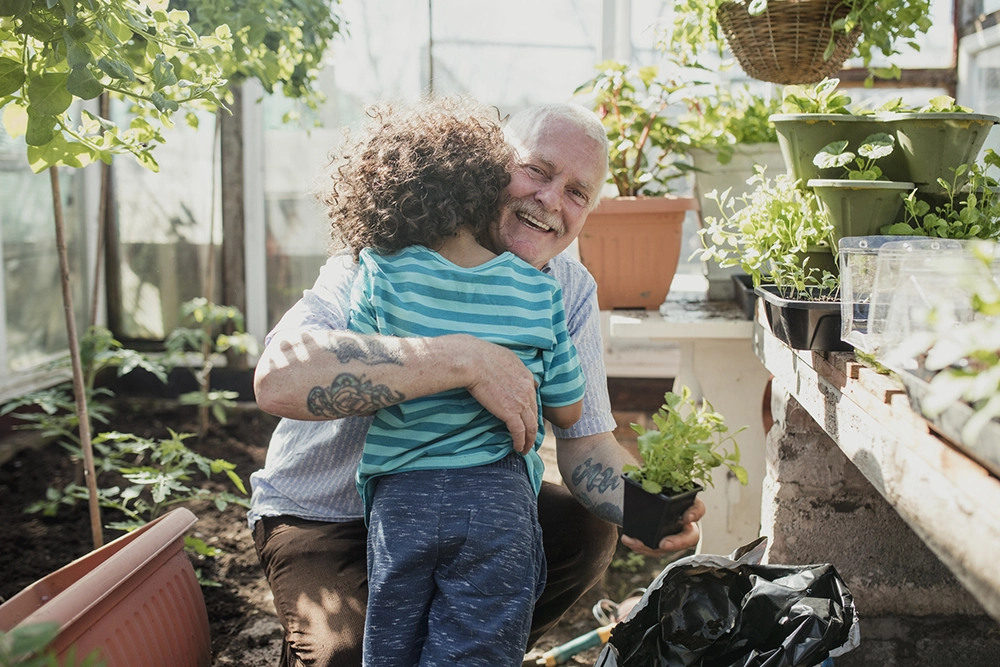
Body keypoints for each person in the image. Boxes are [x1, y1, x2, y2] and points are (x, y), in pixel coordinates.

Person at [250, 101, 707, 667]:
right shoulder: (390, 251)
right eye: (537, 171)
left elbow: (586, 442)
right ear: (489, 165)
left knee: (583, 530)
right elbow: (279, 380)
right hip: (325, 514)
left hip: (474, 504)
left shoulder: (565, 286)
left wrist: (648, 513)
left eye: (577, 193)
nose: (550, 200)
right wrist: (465, 360)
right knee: (347, 657)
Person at [332, 98, 586, 666]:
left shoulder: (379, 268)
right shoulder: (539, 291)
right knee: (476, 649)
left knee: (391, 646)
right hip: (497, 501)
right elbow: (569, 410)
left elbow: (358, 361)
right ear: (488, 183)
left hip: (402, 498)